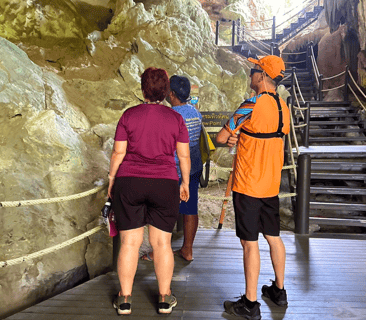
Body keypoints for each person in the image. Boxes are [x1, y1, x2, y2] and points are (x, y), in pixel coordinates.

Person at [107, 67, 191, 315]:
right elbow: (183, 155)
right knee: (162, 243)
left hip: (129, 181)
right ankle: (165, 298)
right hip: (164, 183)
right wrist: (184, 183)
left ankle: (124, 299)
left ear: (143, 89)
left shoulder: (129, 115)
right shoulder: (176, 119)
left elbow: (118, 153)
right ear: (166, 92)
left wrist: (112, 179)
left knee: (130, 243)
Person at [216, 55, 290, 320]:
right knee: (273, 237)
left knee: (250, 244)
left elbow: (222, 137)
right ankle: (279, 292)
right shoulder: (284, 107)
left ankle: (250, 303)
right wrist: (243, 134)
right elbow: (268, 136)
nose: (250, 76)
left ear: (261, 76)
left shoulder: (252, 104)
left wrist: (235, 136)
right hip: (271, 185)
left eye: (252, 71)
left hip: (248, 183)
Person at [140, 75, 202, 262]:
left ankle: (158, 252)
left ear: (172, 94)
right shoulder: (195, 113)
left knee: (164, 212)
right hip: (193, 168)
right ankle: (187, 250)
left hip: (172, 170)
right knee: (190, 208)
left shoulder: (171, 116)